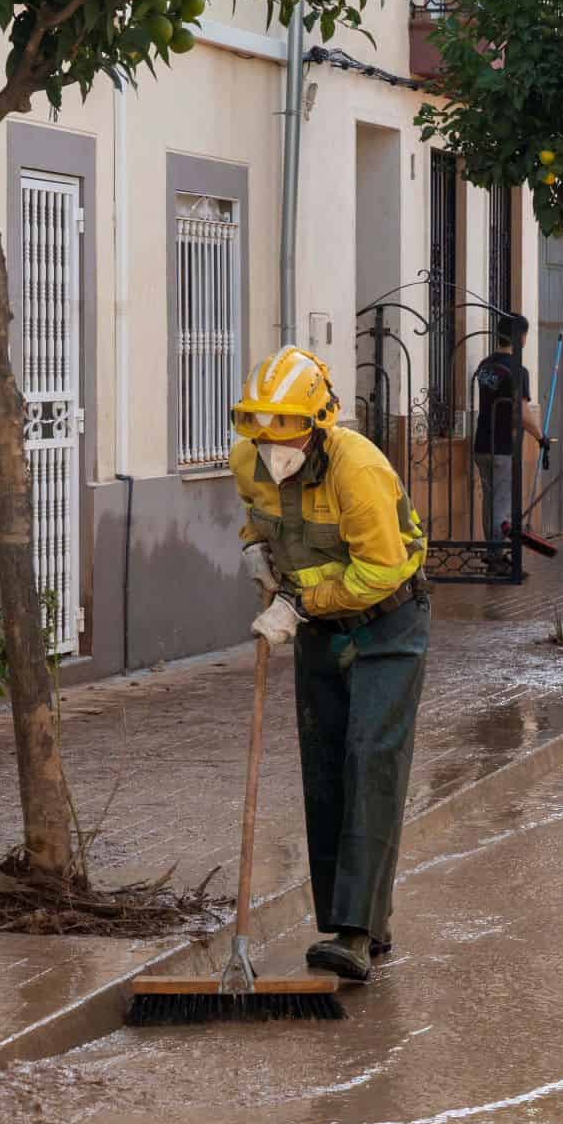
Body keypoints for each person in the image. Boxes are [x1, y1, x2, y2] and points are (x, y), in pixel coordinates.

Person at [232, 346, 430, 983]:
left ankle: (354, 935)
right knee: (326, 766)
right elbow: (257, 526)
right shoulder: (249, 462)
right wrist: (258, 559)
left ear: (317, 424)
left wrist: (298, 602)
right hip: (319, 630)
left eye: (285, 432)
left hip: (387, 624)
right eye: (261, 434)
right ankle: (363, 918)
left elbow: (380, 568)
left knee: (370, 758)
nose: (271, 448)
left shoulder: (358, 469)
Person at [471, 315, 547, 549]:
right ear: (520, 337)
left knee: (490, 502)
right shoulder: (518, 369)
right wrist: (541, 436)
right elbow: (522, 413)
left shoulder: (485, 365)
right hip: (503, 446)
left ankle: (493, 551)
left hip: (482, 444)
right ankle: (496, 557)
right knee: (501, 504)